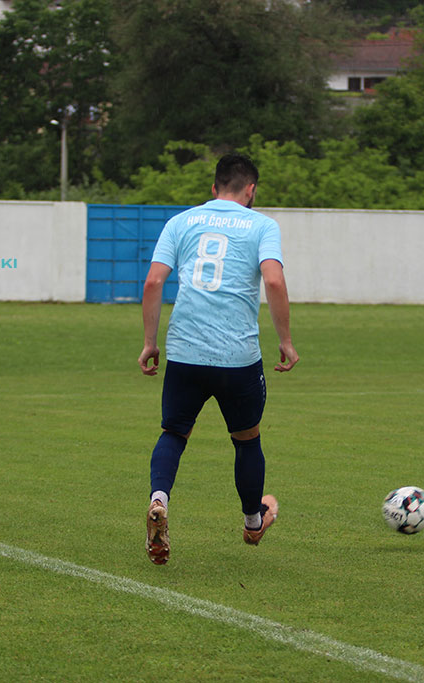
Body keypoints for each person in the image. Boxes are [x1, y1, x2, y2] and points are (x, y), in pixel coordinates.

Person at [138, 153, 299, 565]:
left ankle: (159, 500)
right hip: (237, 357)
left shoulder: (181, 222)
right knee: (247, 439)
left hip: (185, 352)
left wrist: (150, 342)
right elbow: (274, 279)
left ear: (214, 188)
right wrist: (285, 340)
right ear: (251, 190)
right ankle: (253, 522)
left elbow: (154, 281)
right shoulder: (262, 225)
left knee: (174, 432)